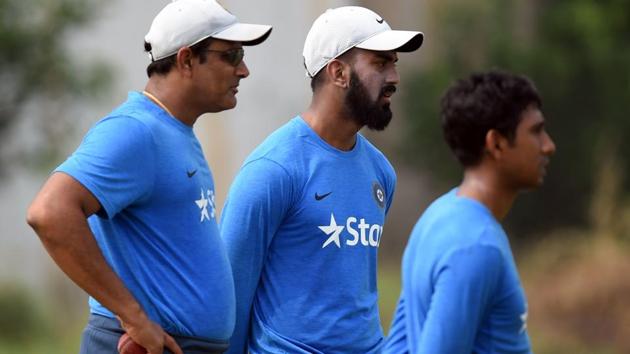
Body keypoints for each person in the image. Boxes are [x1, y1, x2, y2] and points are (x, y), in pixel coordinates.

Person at [25, 1, 271, 353]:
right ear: (186, 60)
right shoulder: (135, 131)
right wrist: (134, 317)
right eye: (231, 56)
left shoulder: (173, 130)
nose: (243, 70)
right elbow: (49, 213)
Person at [219, 6, 423, 354]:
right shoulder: (274, 169)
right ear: (338, 72)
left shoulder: (381, 172)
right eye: (379, 63)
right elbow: (230, 299)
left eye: (394, 63)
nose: (394, 77)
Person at [384, 70, 556, 354]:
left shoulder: (437, 216)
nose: (549, 146)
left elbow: (399, 347)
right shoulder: (476, 246)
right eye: (536, 132)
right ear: (496, 143)